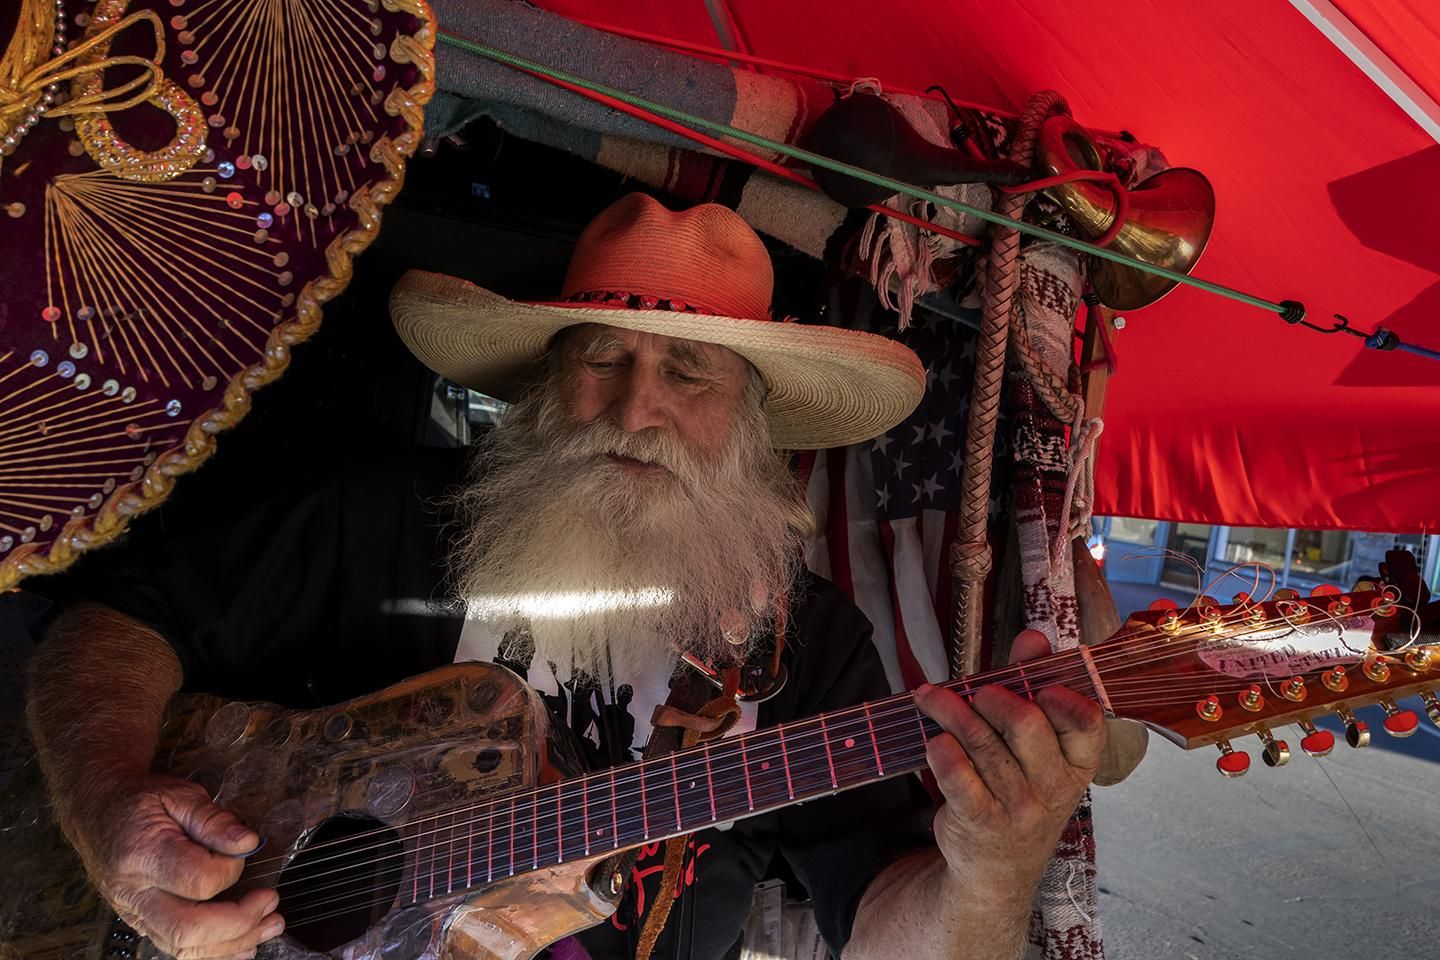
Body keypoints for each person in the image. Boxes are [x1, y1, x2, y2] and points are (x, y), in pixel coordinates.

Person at [26, 193, 1106, 960]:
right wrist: (112, 802)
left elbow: (883, 929)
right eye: (600, 357)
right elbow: (119, 621)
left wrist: (994, 871)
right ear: (548, 381)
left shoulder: (808, 648)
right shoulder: (391, 516)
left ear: (750, 419)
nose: (636, 410)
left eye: (687, 371)